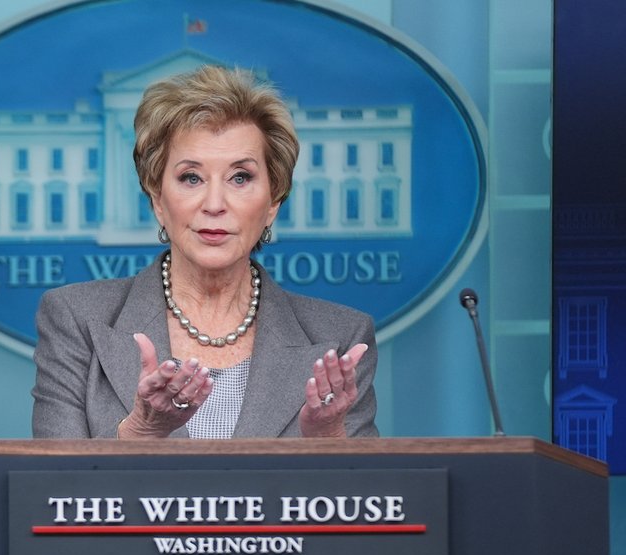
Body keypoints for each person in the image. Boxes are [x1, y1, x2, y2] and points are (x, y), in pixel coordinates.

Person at [32, 65, 377, 439]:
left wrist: (325, 441)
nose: (215, 203)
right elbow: (53, 490)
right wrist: (141, 432)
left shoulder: (342, 339)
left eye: (240, 177)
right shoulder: (75, 320)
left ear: (273, 201)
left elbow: (371, 496)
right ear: (158, 199)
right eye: (191, 177)